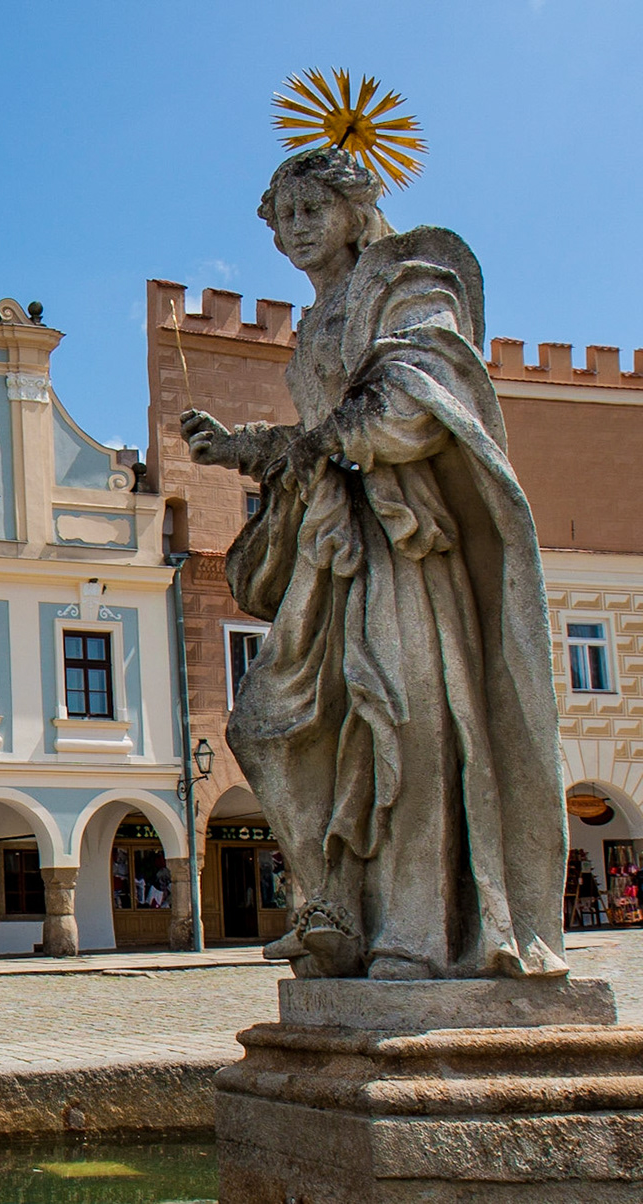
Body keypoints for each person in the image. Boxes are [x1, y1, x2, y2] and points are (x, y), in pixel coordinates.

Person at [181, 145, 567, 981]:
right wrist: (242, 448)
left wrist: (322, 438)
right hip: (336, 546)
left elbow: (421, 397)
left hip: (409, 547)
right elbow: (323, 435)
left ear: (357, 208)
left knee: (411, 728)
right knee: (265, 725)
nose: (297, 231)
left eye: (312, 209)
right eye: (283, 219)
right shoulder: (317, 324)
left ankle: (415, 935)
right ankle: (332, 906)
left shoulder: (407, 281)